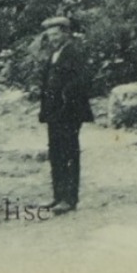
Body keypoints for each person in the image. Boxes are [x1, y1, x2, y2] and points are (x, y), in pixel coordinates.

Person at [36, 15, 94, 214]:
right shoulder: (55, 53)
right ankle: (58, 196)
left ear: (65, 33)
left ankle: (69, 198)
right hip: (55, 112)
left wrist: (64, 98)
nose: (51, 38)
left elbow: (81, 80)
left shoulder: (74, 51)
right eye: (49, 35)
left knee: (68, 152)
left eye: (55, 34)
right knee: (56, 152)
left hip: (69, 111)